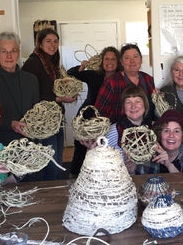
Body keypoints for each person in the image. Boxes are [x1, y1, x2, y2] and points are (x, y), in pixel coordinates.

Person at [22, 28, 77, 181]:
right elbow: (30, 96)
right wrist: (59, 99)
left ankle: (55, 189)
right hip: (43, 121)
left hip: (55, 117)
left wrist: (67, 89)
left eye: (55, 41)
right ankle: (50, 192)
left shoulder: (50, 63)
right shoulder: (33, 63)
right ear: (39, 43)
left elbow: (51, 88)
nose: (53, 45)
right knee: (51, 160)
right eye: (48, 41)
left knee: (56, 158)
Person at [0, 31, 39, 146]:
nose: (9, 56)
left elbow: (36, 112)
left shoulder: (31, 80)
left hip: (28, 146)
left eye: (13, 51)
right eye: (4, 51)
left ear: (18, 53)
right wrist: (10, 124)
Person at [67, 46, 121, 176]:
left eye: (113, 59)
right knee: (80, 150)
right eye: (106, 59)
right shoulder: (94, 75)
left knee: (102, 152)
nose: (109, 62)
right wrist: (81, 67)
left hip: (109, 121)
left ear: (118, 62)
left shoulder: (121, 78)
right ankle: (74, 178)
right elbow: (71, 73)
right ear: (102, 61)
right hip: (87, 118)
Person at [95, 43, 155, 123]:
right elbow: (99, 112)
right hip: (119, 131)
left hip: (146, 128)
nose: (132, 61)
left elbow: (155, 110)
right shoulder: (112, 82)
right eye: (127, 58)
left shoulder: (148, 80)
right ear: (122, 62)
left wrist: (158, 98)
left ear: (141, 60)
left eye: (135, 57)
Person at [132, 109, 183, 174]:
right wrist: (132, 171)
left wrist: (169, 165)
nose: (171, 135)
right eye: (166, 131)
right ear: (159, 134)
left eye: (176, 131)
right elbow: (139, 184)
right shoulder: (148, 154)